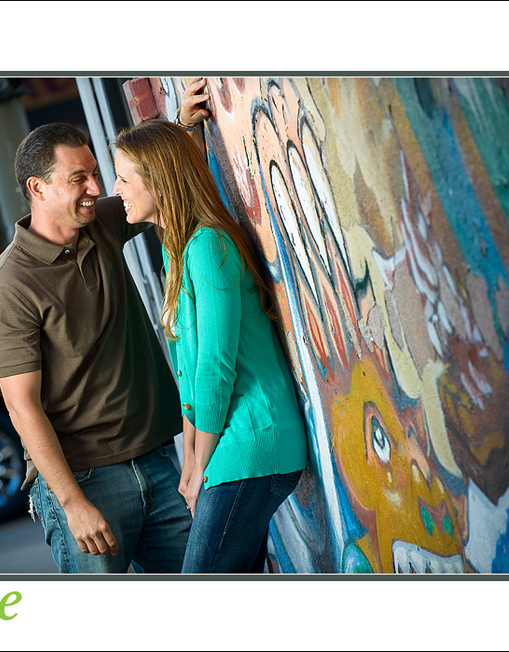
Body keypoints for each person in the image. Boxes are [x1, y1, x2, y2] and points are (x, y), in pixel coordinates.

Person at [0, 122, 192, 573]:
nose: (95, 188)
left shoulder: (101, 224)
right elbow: (22, 408)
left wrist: (183, 122)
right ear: (38, 187)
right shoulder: (11, 286)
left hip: (156, 462)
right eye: (79, 178)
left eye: (95, 173)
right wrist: (73, 503)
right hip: (85, 481)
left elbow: (150, 182)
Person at [113, 111, 309, 573]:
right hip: (226, 447)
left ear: (159, 181)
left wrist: (198, 465)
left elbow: (214, 368)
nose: (116, 191)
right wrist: (189, 463)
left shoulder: (209, 247)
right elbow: (187, 366)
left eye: (124, 179)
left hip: (253, 443)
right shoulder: (176, 247)